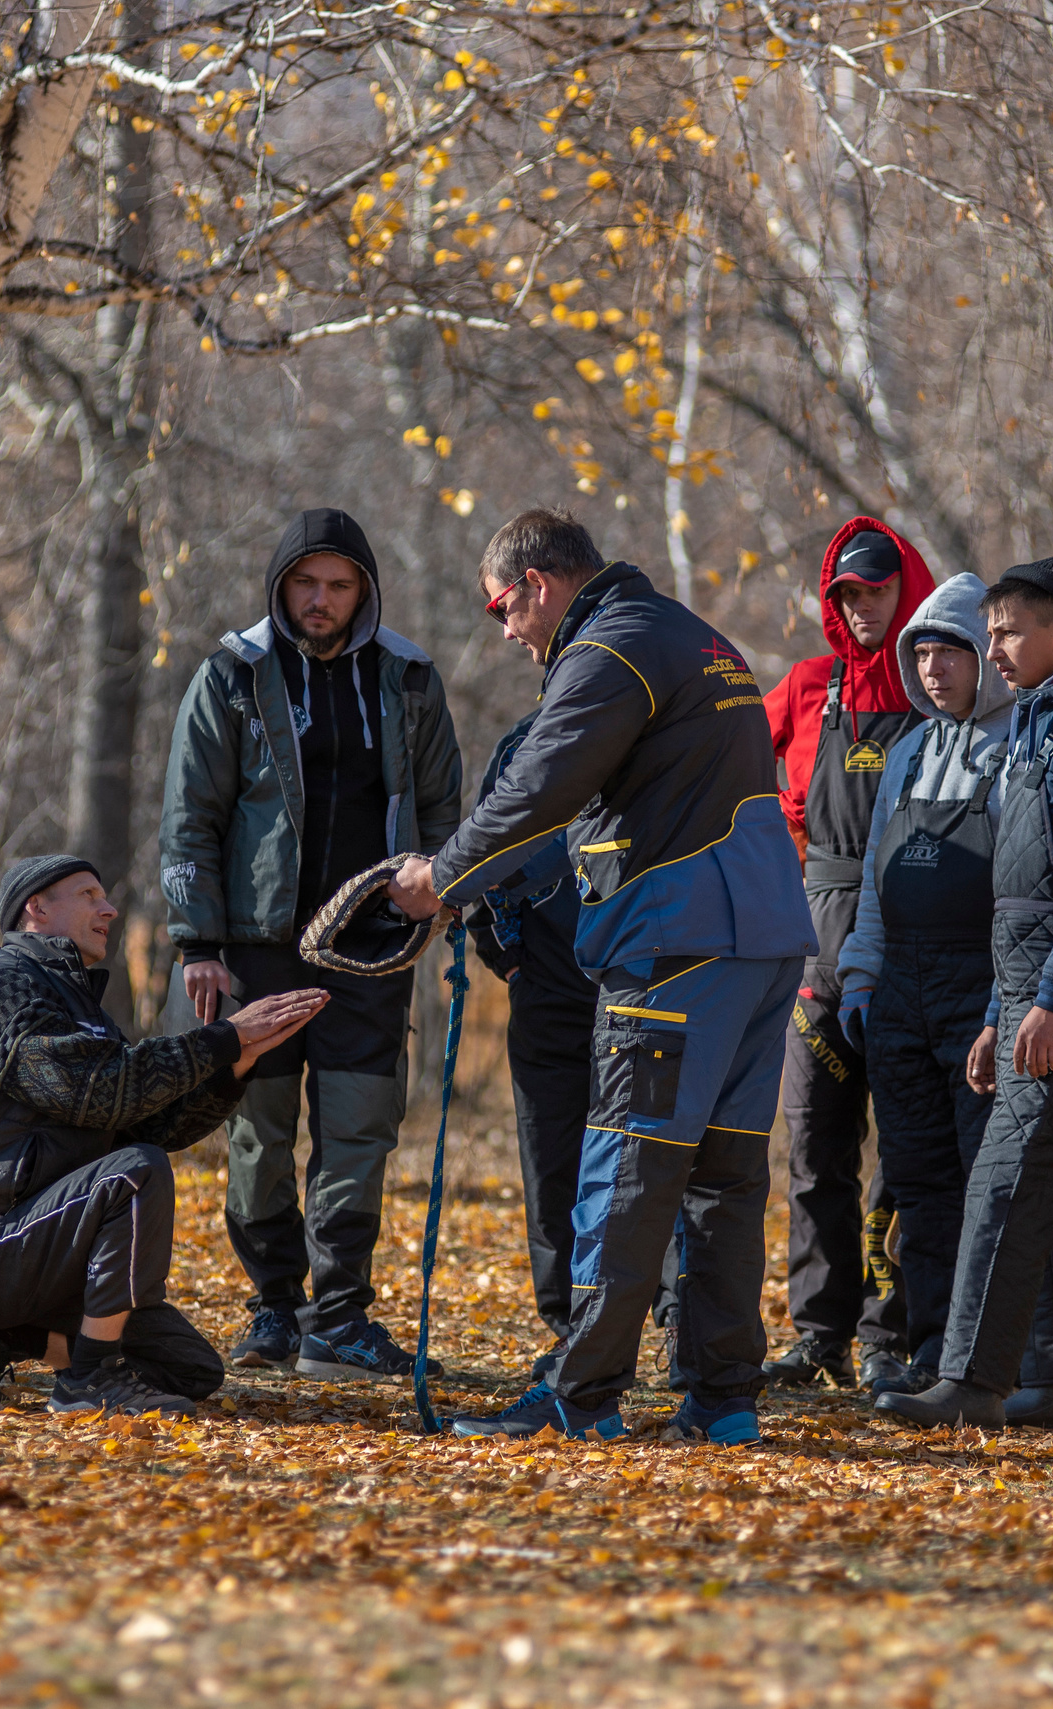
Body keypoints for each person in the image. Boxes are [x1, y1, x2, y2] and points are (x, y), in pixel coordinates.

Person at [386, 508, 818, 1445]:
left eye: (505, 608)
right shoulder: (699, 639)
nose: (507, 633)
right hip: (764, 942)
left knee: (624, 1167)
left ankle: (579, 1399)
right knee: (725, 1181)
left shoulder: (610, 649)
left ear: (538, 584)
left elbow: (543, 777)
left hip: (675, 945)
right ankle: (722, 1402)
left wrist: (444, 877)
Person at [158, 509, 463, 1381]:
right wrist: (197, 943)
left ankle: (340, 1317)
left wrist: (437, 894)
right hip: (256, 944)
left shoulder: (408, 677)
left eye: (338, 585)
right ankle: (274, 1309)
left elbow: (445, 809)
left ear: (363, 589)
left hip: (372, 943)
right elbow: (192, 817)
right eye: (305, 583)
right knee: (259, 1127)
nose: (320, 600)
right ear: (280, 586)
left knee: (359, 1126)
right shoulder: (231, 675)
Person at [876, 559, 1053, 1431]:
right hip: (1026, 998)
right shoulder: (1047, 723)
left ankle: (970, 1379)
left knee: (1002, 1184)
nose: (991, 648)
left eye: (1005, 631)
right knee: (1045, 1189)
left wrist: (1046, 999)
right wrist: (1003, 1011)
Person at [0, 858, 326, 1415]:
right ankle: (88, 1379)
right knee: (137, 1171)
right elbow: (92, 1089)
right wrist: (220, 1040)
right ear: (36, 908)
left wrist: (237, 1064)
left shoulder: (79, 1005)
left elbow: (148, 1121)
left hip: (51, 1246)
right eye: (88, 894)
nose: (109, 909)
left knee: (190, 1369)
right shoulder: (1, 987)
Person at [759, 519, 936, 1391]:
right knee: (814, 1146)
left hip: (913, 942)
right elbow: (733, 784)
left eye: (876, 589)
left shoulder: (942, 689)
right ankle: (817, 1332)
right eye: (847, 594)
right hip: (813, 948)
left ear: (909, 588)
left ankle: (886, 1335)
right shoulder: (805, 688)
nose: (862, 606)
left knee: (905, 1154)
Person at [833, 574, 1015, 1389]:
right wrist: (861, 980)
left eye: (950, 649)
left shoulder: (1017, 747)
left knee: (986, 1185)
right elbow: (875, 877)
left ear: (987, 657)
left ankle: (981, 1360)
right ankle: (932, 1349)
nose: (934, 666)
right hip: (897, 995)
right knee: (918, 1182)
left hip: (975, 991)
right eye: (923, 651)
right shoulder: (906, 750)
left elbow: (1020, 895)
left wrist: (997, 1004)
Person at [463, 707, 600, 1381]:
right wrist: (510, 959)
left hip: (644, 985)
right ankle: (568, 1325)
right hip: (546, 990)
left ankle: (657, 1318)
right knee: (553, 1165)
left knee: (647, 1161)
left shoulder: (654, 734)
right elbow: (476, 855)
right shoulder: (525, 741)